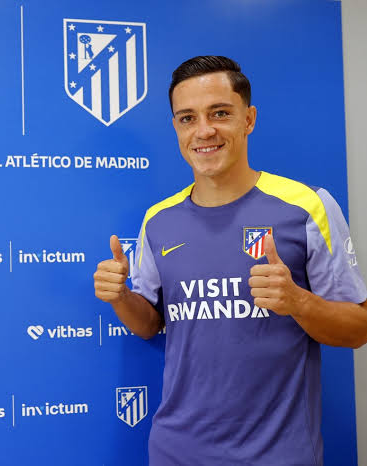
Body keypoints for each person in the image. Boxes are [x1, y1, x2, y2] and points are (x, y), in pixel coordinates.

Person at [93, 56, 367, 465]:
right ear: (176, 127)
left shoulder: (307, 206)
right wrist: (120, 297)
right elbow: (149, 324)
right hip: (176, 452)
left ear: (248, 119)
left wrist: (298, 301)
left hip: (279, 454)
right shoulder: (158, 220)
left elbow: (358, 329)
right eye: (188, 118)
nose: (204, 131)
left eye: (220, 113)